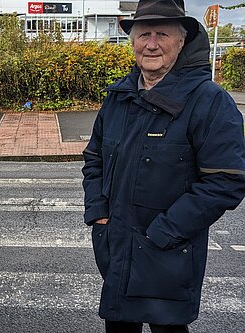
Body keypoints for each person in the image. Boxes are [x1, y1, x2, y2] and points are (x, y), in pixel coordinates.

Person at [82, 0, 245, 332]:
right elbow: (94, 158)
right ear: (133, 40)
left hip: (168, 255)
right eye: (144, 34)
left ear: (182, 40)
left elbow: (226, 180)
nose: (151, 44)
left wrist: (164, 232)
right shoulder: (119, 97)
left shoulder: (209, 101)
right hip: (117, 250)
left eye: (162, 34)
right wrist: (99, 213)